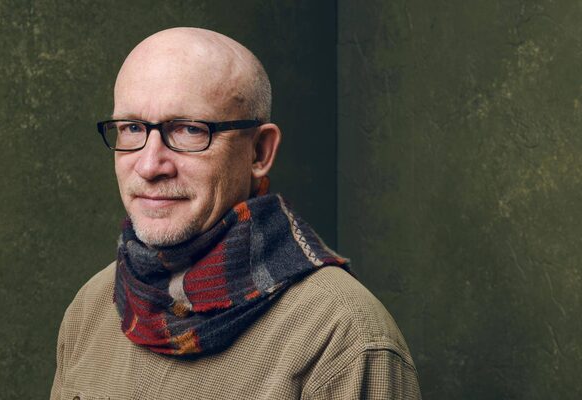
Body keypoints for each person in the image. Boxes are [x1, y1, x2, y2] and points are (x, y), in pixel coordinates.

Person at [51, 27, 421, 399]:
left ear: (259, 152)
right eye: (132, 128)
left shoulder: (342, 339)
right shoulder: (92, 306)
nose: (149, 166)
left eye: (189, 130)